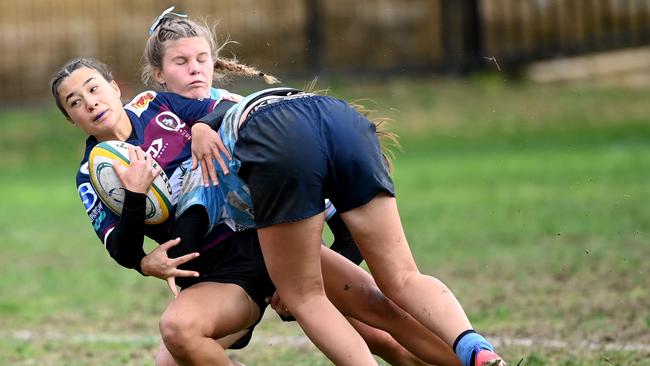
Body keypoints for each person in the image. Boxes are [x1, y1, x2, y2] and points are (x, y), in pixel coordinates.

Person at [51, 56, 460, 366]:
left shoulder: (161, 107)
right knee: (175, 347)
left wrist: (201, 127)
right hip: (220, 276)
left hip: (269, 233)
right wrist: (140, 233)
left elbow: (235, 112)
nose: (89, 102)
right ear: (70, 119)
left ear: (113, 86)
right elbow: (121, 248)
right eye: (75, 102)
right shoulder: (91, 176)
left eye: (93, 88)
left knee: (378, 320)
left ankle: (469, 358)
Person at [187, 32, 509, 366]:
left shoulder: (215, 118)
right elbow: (346, 236)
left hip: (279, 133)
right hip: (342, 118)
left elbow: (221, 116)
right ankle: (474, 348)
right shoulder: (299, 120)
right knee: (403, 277)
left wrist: (199, 128)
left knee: (305, 296)